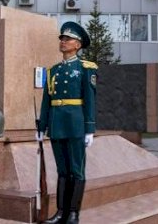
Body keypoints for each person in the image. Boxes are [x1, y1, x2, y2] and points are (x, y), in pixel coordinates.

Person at [38, 22, 97, 224]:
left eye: (68, 39)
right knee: (62, 170)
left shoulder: (85, 68)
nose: (63, 42)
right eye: (62, 39)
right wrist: (41, 126)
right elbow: (47, 101)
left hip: (76, 124)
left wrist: (89, 129)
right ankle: (61, 213)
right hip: (57, 124)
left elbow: (90, 99)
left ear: (78, 45)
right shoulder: (53, 71)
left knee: (76, 170)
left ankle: (73, 214)